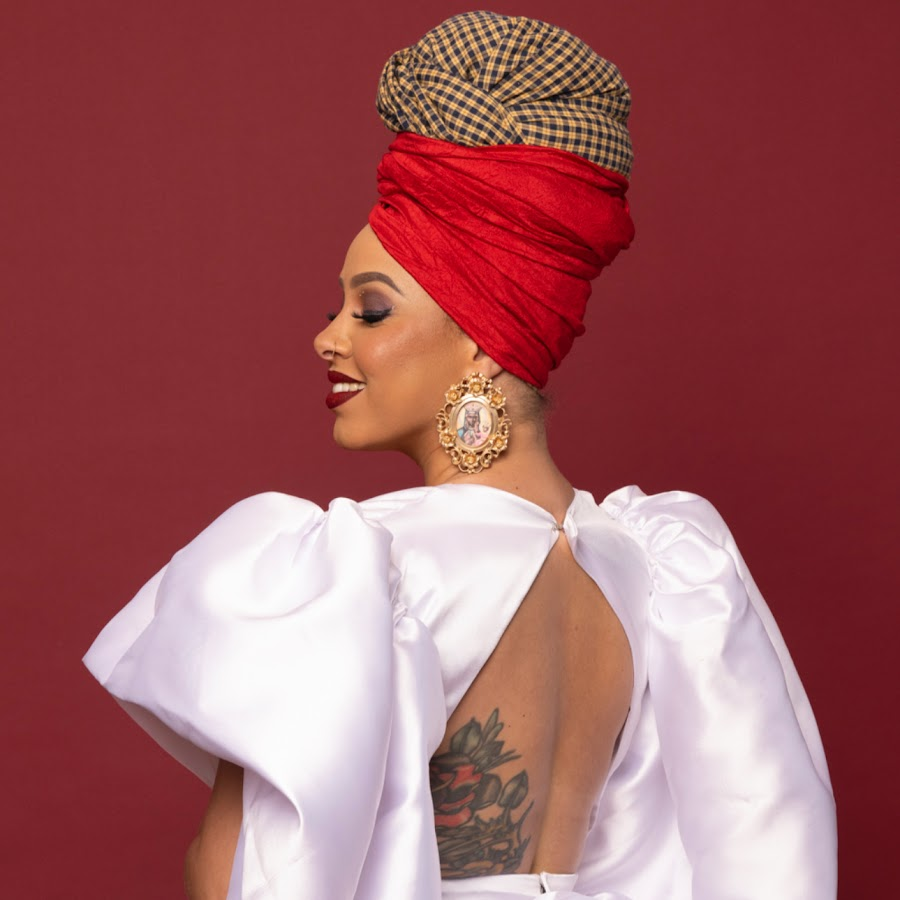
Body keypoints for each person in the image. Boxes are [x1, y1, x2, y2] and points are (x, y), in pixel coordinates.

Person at [84, 12, 837, 900]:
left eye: (370, 310)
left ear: (482, 337)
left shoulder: (366, 571)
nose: (328, 338)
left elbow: (238, 881)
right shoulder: (657, 572)